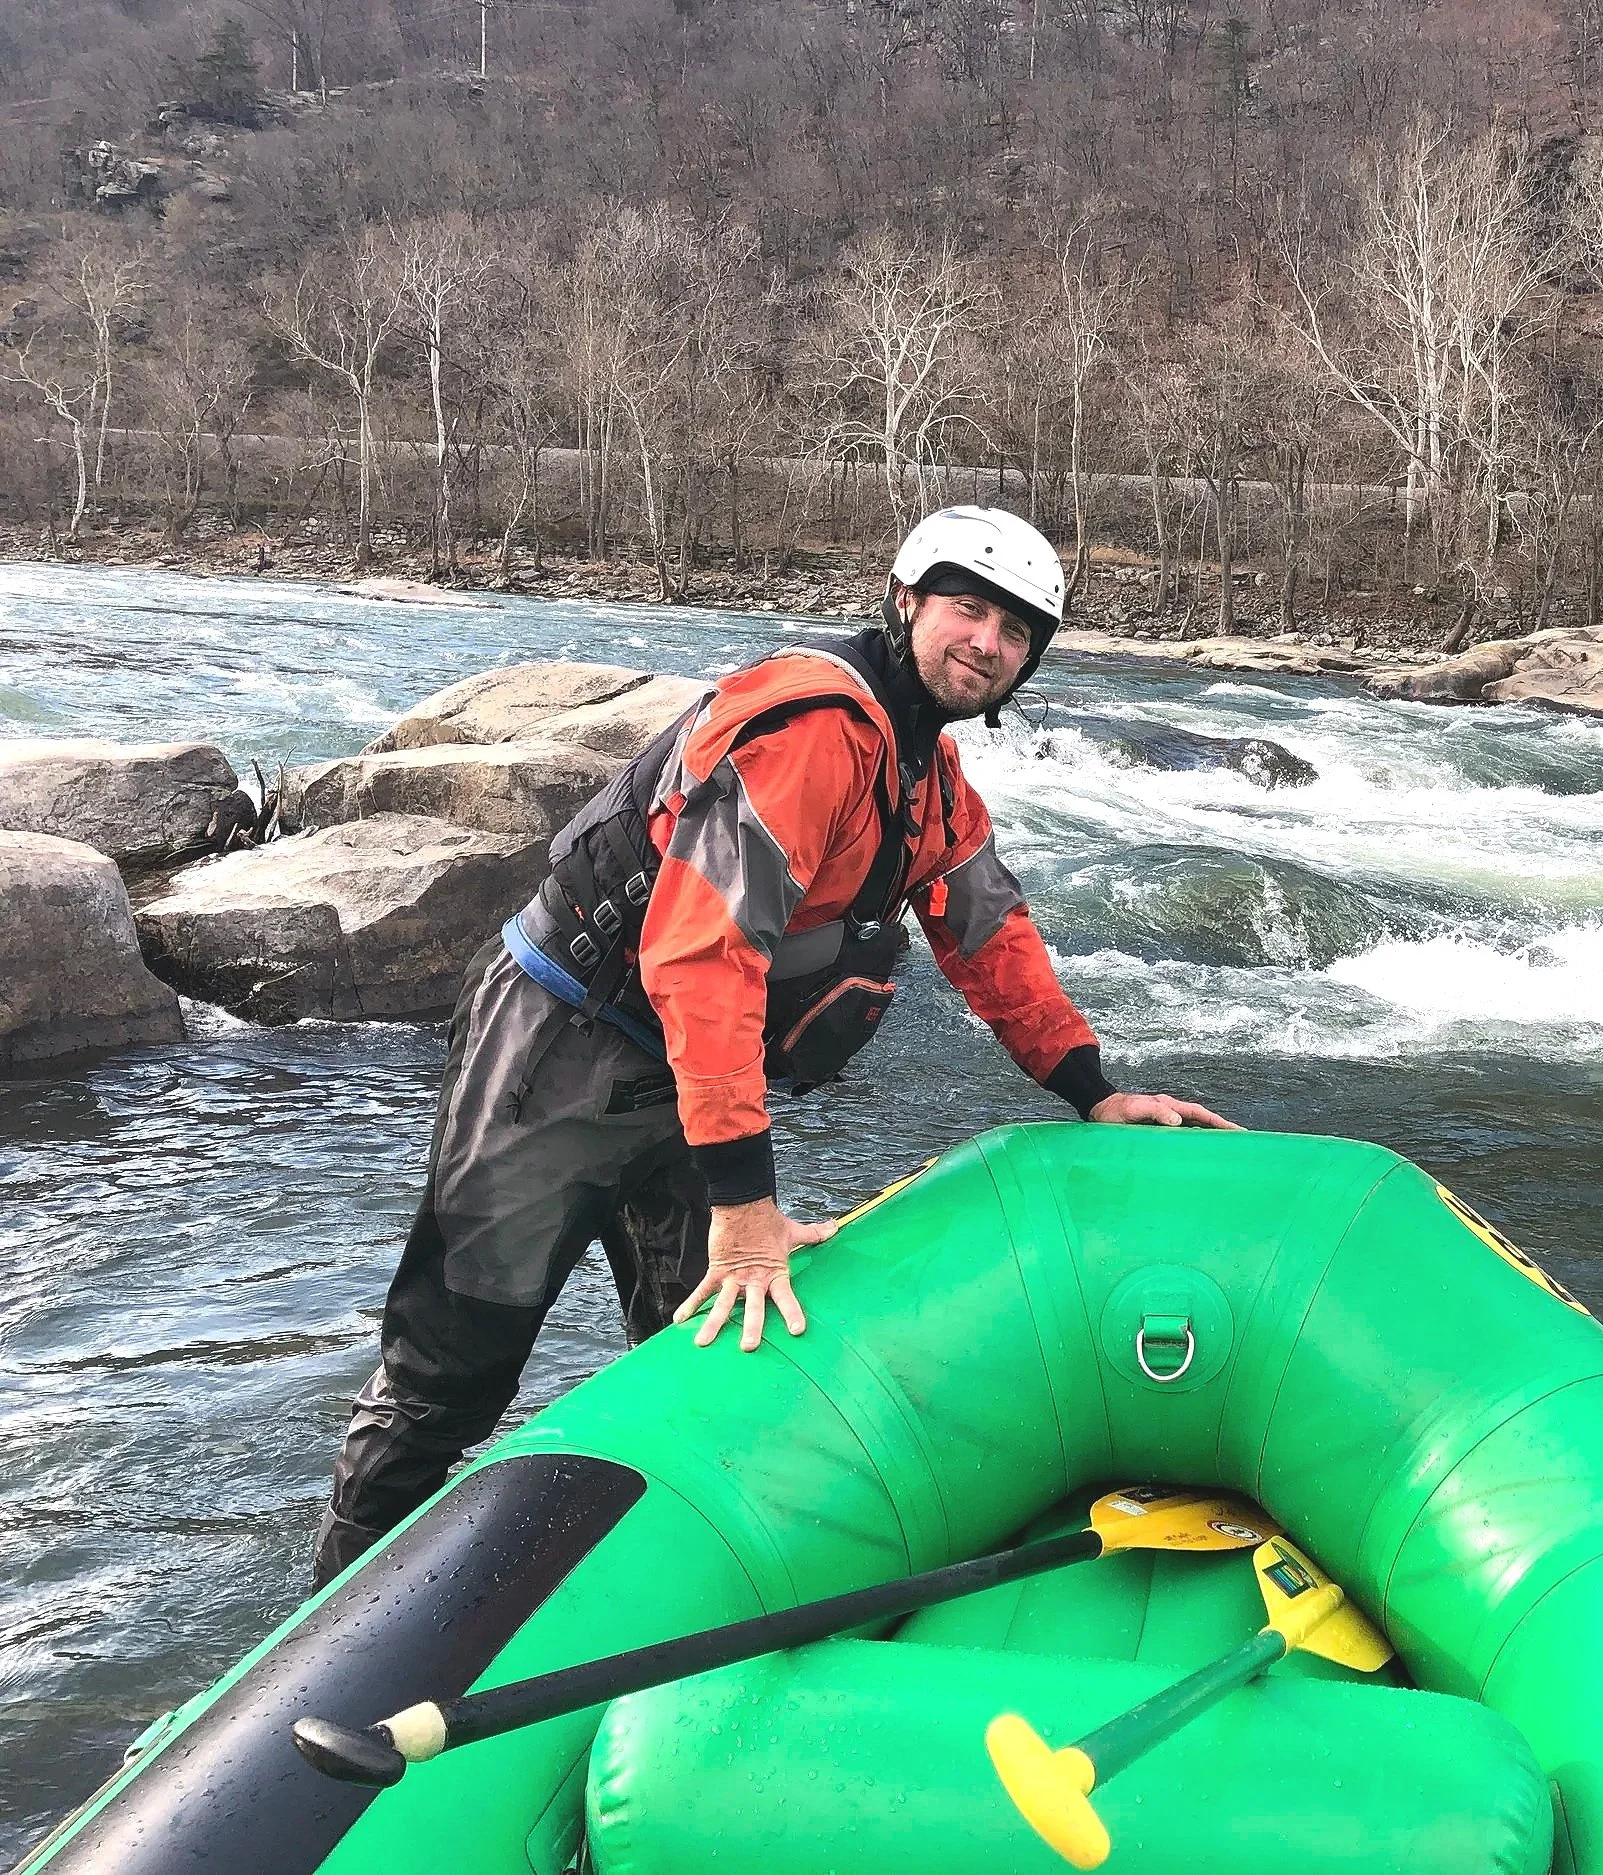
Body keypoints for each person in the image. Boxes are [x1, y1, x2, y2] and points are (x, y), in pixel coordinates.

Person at [313, 505, 1234, 1584]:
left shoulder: (925, 777)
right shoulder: (813, 733)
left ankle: (648, 1588)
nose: (986, 643)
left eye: (1017, 630)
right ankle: (316, 1623)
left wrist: (1092, 1091)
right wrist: (748, 1210)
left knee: (705, 1355)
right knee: (450, 1379)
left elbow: (990, 934)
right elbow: (703, 955)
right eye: (966, 608)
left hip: (683, 1081)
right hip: (556, 1050)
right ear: (906, 603)